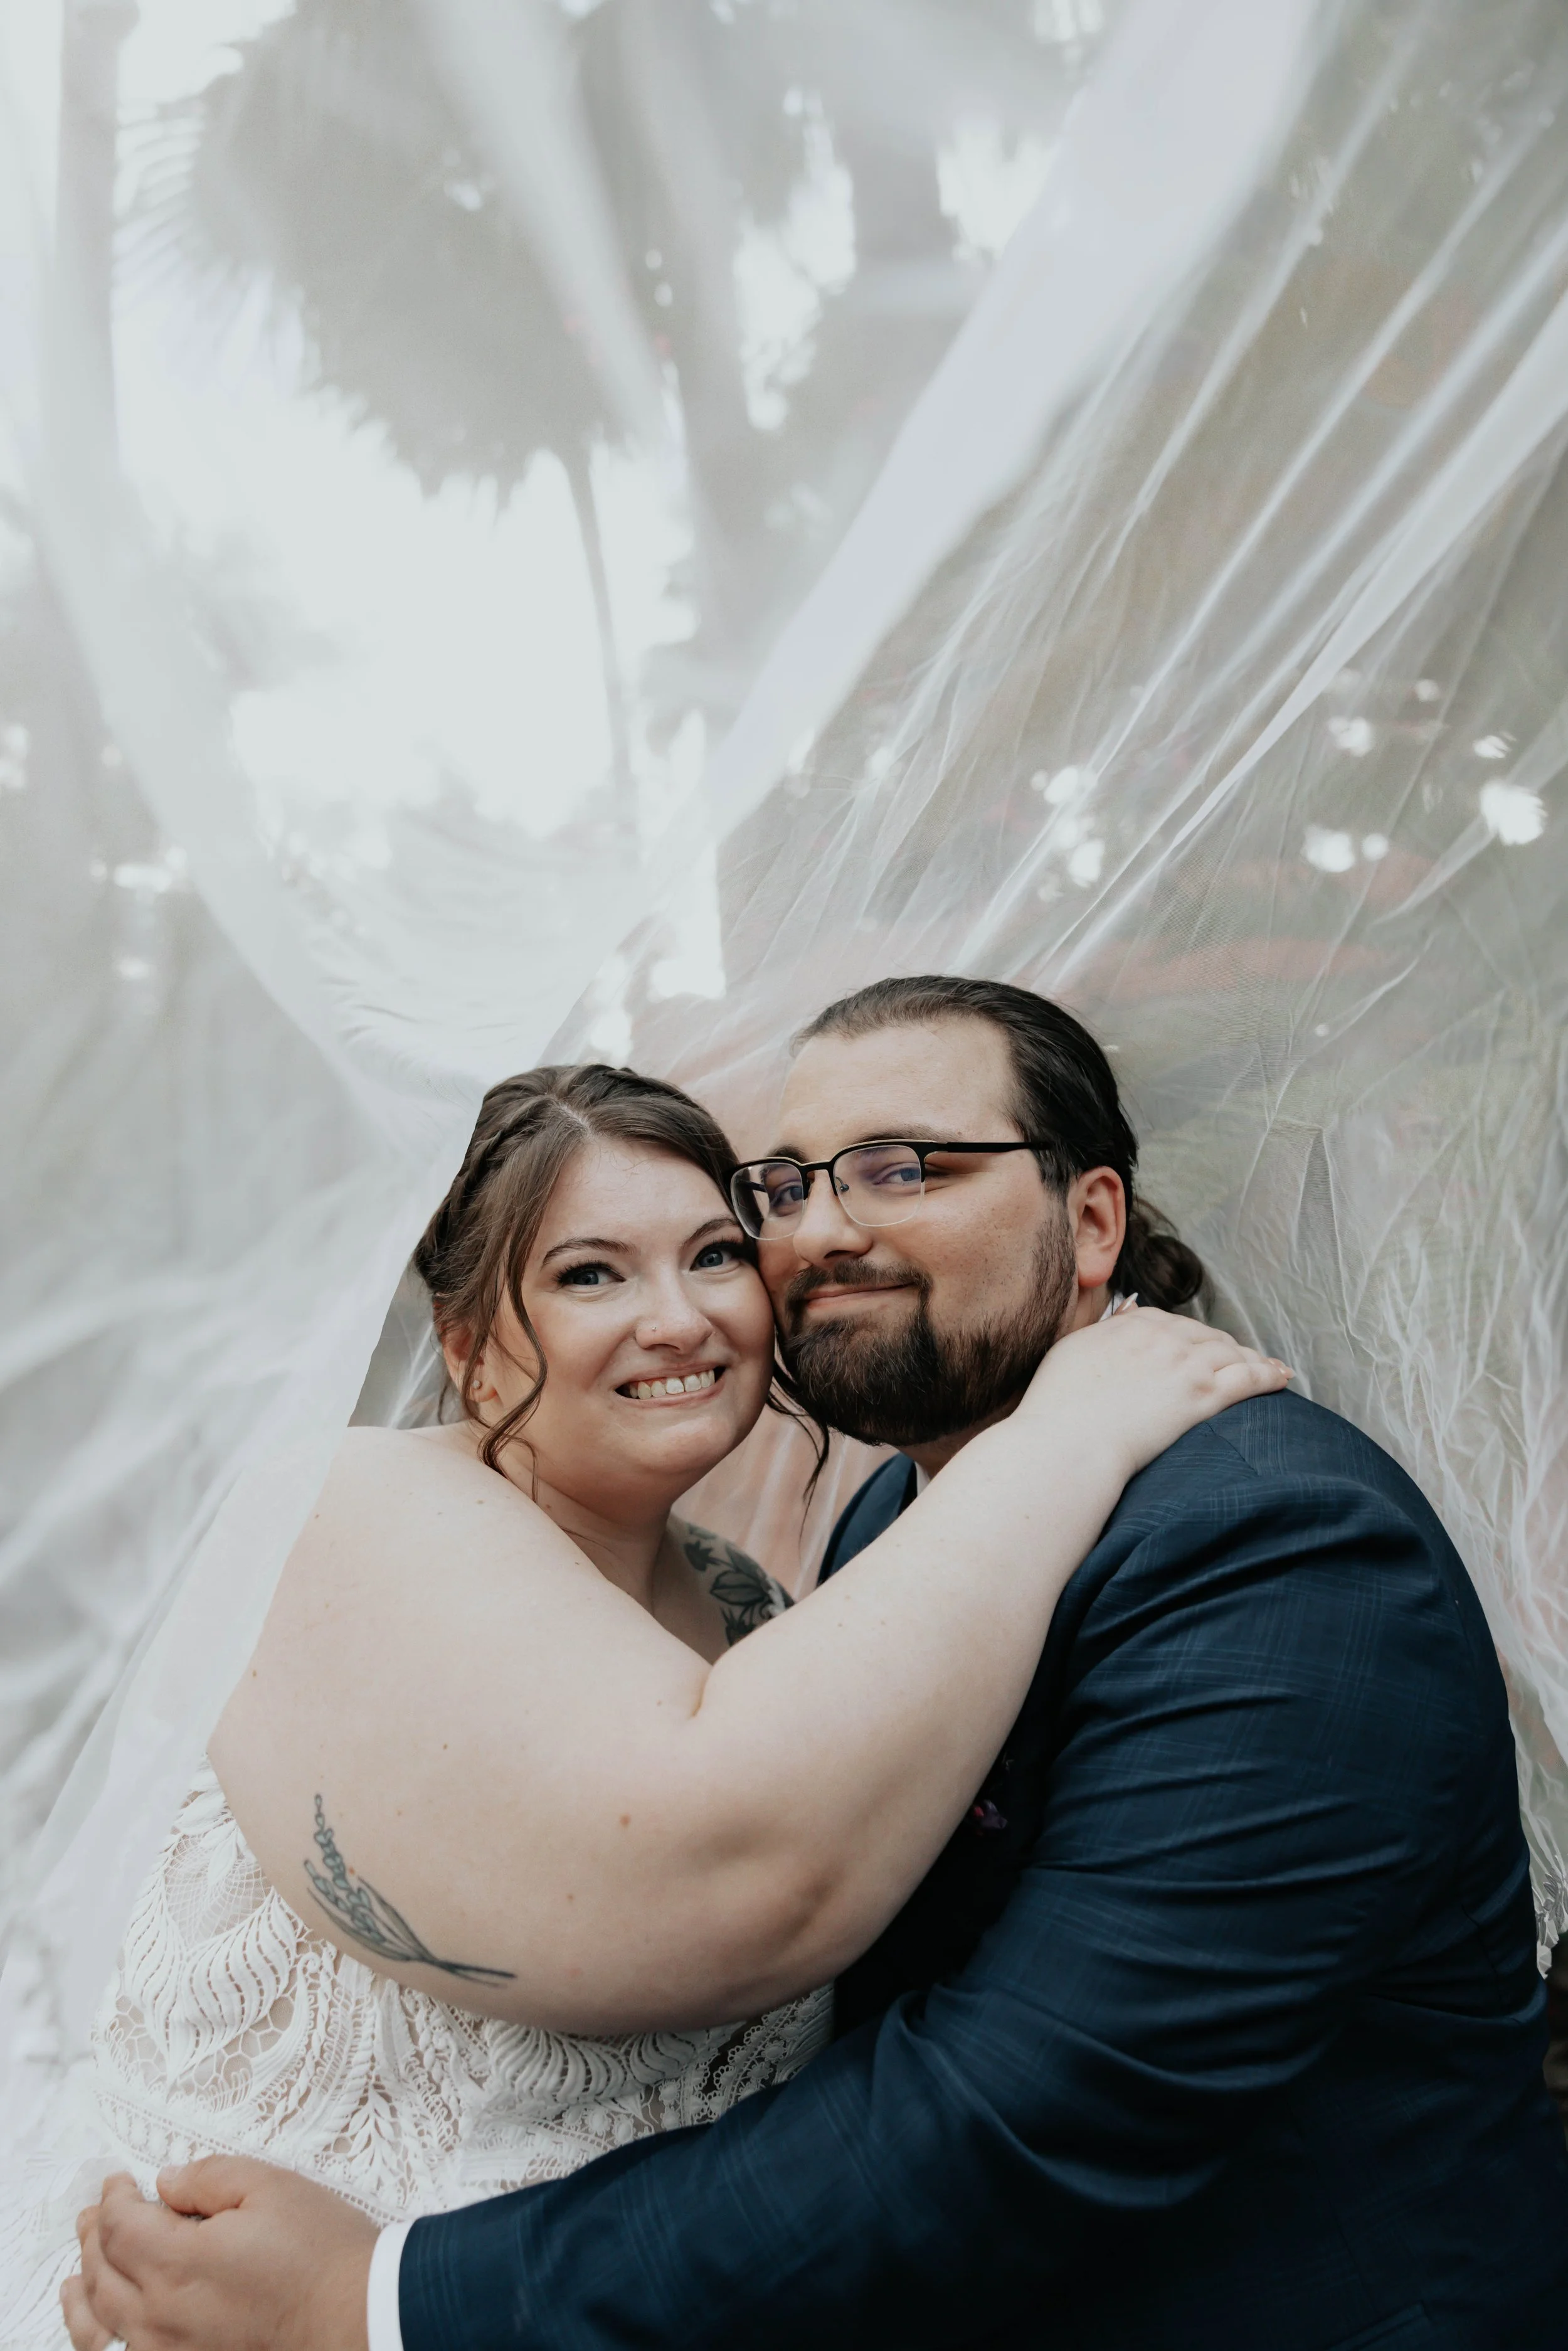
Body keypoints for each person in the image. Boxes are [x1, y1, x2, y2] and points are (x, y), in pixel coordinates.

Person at [64, 977, 1568, 2351]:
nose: (817, 1230)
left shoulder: (1270, 1538)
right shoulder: (879, 1528)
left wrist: (386, 2301)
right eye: (785, 1184)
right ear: (467, 1343)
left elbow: (1019, 2114)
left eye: (901, 1164)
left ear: (1092, 1219)